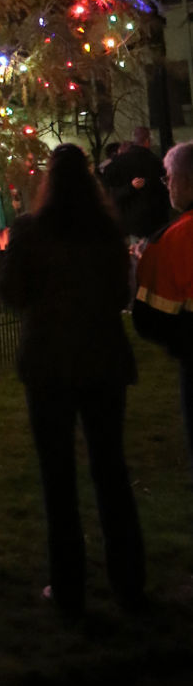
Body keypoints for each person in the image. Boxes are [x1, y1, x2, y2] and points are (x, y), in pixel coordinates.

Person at [0, 143, 145, 618]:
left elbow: (12, 293)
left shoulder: (32, 232)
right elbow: (121, 291)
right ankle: (128, 579)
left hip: (50, 364)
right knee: (111, 469)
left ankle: (68, 586)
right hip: (102, 359)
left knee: (57, 476)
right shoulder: (106, 232)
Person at [132, 140, 193, 470]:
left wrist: (142, 267)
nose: (167, 185)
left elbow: (150, 318)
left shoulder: (176, 238)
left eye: (168, 177)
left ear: (184, 181)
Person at [100, 126, 169, 242]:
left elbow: (108, 188)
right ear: (147, 141)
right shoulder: (155, 161)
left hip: (130, 221)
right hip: (154, 219)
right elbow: (163, 189)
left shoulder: (118, 163)